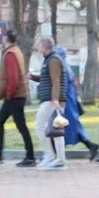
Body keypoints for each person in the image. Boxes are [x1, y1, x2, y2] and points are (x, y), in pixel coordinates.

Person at [0, 30, 36, 167]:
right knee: (0, 121)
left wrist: (8, 95)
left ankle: (30, 157)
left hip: (14, 96)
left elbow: (13, 78)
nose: (2, 40)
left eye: (3, 38)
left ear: (7, 39)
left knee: (20, 126)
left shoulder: (10, 54)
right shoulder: (16, 50)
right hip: (17, 95)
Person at [56, 46, 99, 161]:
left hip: (67, 102)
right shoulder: (66, 66)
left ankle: (57, 153)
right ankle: (91, 146)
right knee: (71, 127)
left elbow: (63, 86)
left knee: (64, 127)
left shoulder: (62, 67)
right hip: (70, 101)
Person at [31, 36, 67, 169]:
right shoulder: (50, 59)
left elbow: (56, 80)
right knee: (56, 131)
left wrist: (55, 98)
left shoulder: (53, 60)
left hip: (51, 100)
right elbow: (48, 78)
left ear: (44, 47)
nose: (39, 49)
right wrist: (33, 77)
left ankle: (51, 155)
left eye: (40, 46)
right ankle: (59, 159)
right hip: (52, 99)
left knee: (40, 126)